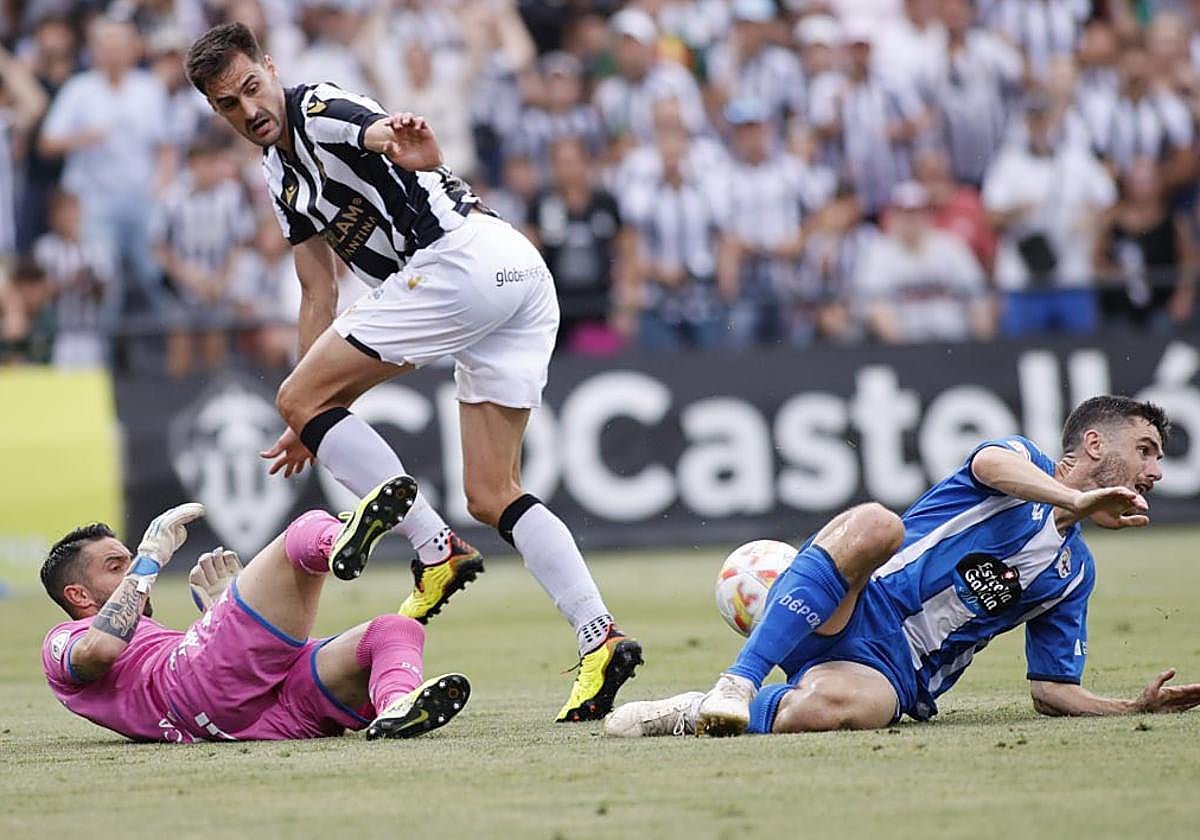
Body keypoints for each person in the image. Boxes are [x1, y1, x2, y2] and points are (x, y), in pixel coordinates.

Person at [183, 22, 641, 722]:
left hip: (459, 263)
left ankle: (433, 548)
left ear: (271, 67)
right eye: (228, 104)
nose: (249, 109)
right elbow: (317, 292)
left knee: (298, 396)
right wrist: (306, 409)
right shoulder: (280, 175)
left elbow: (369, 128)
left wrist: (400, 141)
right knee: (492, 492)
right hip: (513, 271)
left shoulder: (315, 109)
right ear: (215, 111)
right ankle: (599, 636)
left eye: (251, 87)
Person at [605, 396, 1200, 738]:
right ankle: (740, 680)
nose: (1155, 471)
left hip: (894, 672)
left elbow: (1052, 690)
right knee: (877, 524)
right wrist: (1074, 499)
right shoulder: (1021, 460)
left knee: (837, 710)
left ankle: (688, 711)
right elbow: (989, 465)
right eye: (1145, 451)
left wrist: (1132, 708)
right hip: (853, 600)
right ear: (1094, 444)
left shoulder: (1074, 574)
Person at [41, 476, 472, 743]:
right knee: (304, 531)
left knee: (394, 630)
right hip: (195, 690)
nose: (132, 569)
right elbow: (101, 651)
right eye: (116, 566)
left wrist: (220, 613)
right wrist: (150, 559)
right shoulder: (63, 640)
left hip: (261, 716)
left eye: (132, 559)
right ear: (78, 596)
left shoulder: (148, 644)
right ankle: (336, 543)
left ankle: (396, 707)